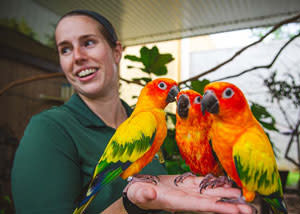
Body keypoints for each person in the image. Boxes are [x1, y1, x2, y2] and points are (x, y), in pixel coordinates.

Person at [11, 9, 252, 214]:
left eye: (88, 43)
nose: (77, 57)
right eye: (65, 49)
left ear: (117, 51)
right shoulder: (48, 129)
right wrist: (130, 204)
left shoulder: (144, 121)